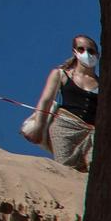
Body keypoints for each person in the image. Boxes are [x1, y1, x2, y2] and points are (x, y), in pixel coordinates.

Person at [22, 35, 100, 171]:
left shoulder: (103, 84)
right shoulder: (61, 74)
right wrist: (39, 128)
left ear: (97, 55)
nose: (86, 53)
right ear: (74, 52)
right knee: (65, 169)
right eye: (81, 49)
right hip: (64, 128)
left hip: (92, 133)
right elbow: (46, 100)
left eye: (91, 51)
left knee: (95, 170)